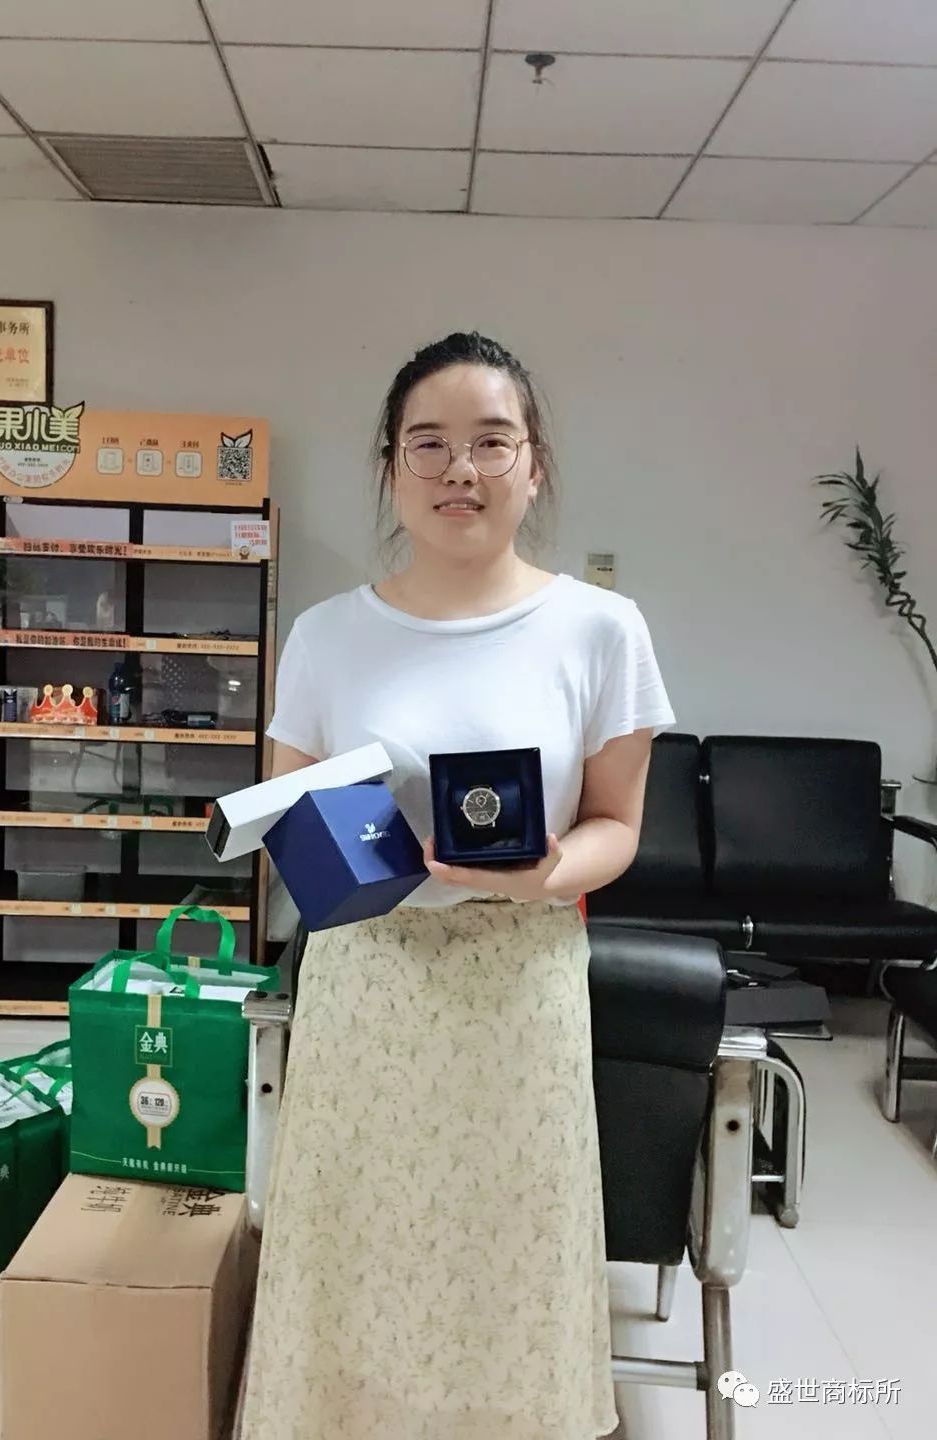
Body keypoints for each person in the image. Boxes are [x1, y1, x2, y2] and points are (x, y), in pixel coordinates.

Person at [239, 332, 676, 1440]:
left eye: (492, 442)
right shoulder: (327, 636)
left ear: (534, 465)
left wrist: (547, 873)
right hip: (367, 978)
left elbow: (618, 826)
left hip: (519, 980)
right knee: (357, 1243)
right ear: (392, 467)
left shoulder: (600, 629)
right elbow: (288, 818)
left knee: (512, 1248)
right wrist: (345, 847)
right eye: (427, 444)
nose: (460, 471)